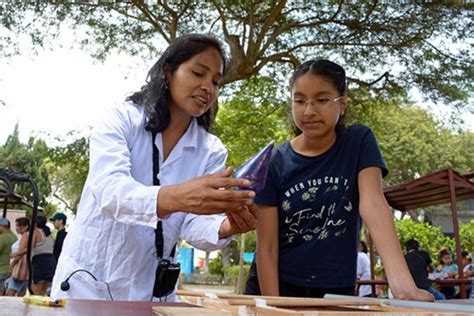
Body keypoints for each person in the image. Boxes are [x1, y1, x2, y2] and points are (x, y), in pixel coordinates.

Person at [51, 34, 257, 302]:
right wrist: (179, 196)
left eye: (216, 82)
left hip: (153, 293)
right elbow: (109, 192)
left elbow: (194, 225)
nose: (208, 87)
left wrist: (227, 226)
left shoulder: (212, 150)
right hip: (86, 283)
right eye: (198, 73)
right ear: (167, 72)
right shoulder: (121, 119)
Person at [244, 59, 433, 301]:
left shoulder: (358, 141)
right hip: (277, 286)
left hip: (335, 288)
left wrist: (403, 286)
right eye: (300, 101)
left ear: (342, 104)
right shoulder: (274, 162)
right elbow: (267, 248)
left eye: (321, 100)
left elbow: (373, 205)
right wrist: (274, 307)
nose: (309, 110)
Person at [13, 215, 56, 295]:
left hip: (40, 262)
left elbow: (29, 248)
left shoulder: (36, 232)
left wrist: (15, 254)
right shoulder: (49, 234)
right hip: (51, 262)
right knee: (43, 292)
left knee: (34, 293)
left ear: (35, 223)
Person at [6, 217, 30, 297]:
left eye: (18, 226)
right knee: (21, 294)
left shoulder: (25, 236)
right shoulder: (28, 236)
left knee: (10, 292)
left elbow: (20, 254)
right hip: (25, 269)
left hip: (19, 267)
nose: (16, 228)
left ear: (25, 226)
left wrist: (11, 266)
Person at [0, 218, 17, 295]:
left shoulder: (2, 237)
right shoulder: (15, 237)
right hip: (11, 269)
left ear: (2, 226)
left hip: (1, 269)